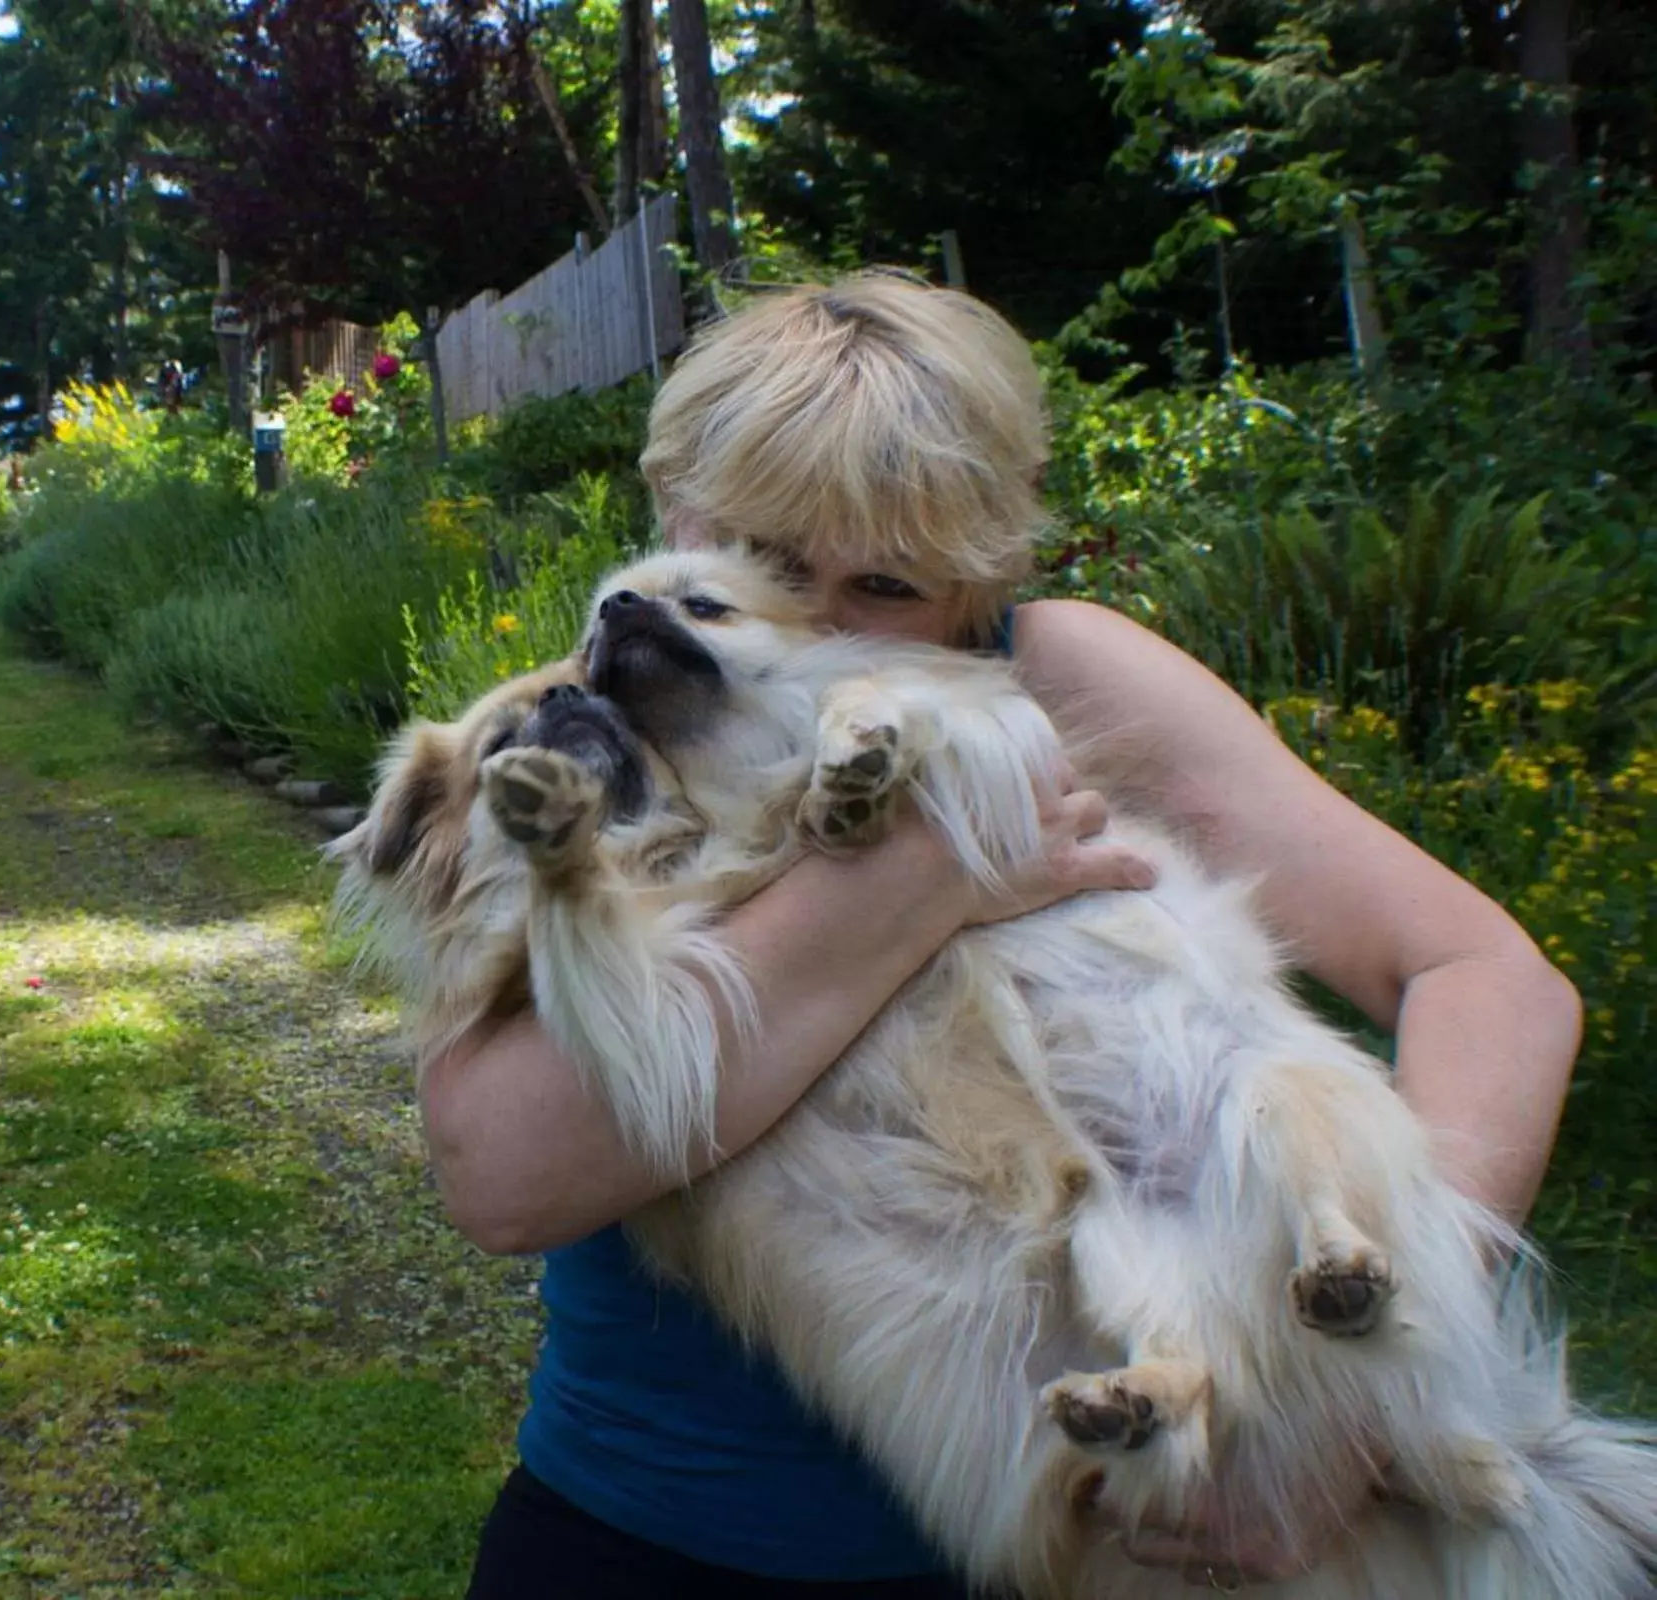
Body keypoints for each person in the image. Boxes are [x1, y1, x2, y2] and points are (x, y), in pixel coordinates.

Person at [427, 270, 1583, 1597]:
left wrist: (1371, 1408)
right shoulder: (580, 733)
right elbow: (501, 1175)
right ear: (670, 502)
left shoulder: (1060, 676)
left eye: (884, 582)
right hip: (646, 1540)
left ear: (978, 576)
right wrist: (923, 879)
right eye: (763, 560)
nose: (810, 620)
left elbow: (1490, 979)